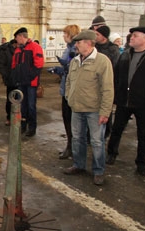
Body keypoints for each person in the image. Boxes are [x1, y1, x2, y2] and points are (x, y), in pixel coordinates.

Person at [64, 30, 114, 186]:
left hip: (94, 110)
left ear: (88, 43)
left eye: (78, 42)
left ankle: (98, 171)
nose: (76, 45)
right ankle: (79, 165)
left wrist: (105, 112)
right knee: (77, 138)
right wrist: (69, 96)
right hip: (76, 108)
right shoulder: (75, 61)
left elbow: (107, 89)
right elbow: (69, 81)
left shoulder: (102, 61)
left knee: (97, 141)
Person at [106, 26, 145, 176]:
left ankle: (142, 163)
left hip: (143, 103)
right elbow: (116, 76)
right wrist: (116, 95)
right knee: (117, 129)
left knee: (144, 134)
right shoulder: (125, 55)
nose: (131, 37)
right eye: (131, 35)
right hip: (124, 101)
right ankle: (111, 154)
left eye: (135, 35)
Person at [48, 24, 81, 159]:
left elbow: (73, 69)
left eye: (65, 34)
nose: (63, 36)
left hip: (73, 91)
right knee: (66, 119)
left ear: (70, 34)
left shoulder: (77, 49)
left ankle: (74, 149)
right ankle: (70, 147)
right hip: (65, 89)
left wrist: (60, 69)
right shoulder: (68, 49)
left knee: (74, 121)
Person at [11, 27, 44, 137]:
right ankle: (23, 125)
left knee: (31, 106)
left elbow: (39, 64)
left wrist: (29, 77)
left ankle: (32, 128)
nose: (16, 40)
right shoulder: (18, 50)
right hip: (21, 83)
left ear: (21, 36)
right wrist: (15, 78)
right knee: (22, 106)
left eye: (16, 37)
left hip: (31, 83)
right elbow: (14, 65)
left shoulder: (35, 47)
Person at [94, 25, 120, 139]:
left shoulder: (113, 49)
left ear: (104, 36)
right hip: (94, 84)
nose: (95, 36)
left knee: (105, 109)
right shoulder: (94, 47)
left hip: (106, 83)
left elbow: (115, 68)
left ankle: (106, 131)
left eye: (97, 34)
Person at [0, 39, 18, 126]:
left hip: (21, 79)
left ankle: (18, 118)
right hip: (10, 80)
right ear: (14, 44)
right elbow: (0, 64)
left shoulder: (22, 49)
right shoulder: (5, 51)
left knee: (20, 99)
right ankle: (9, 117)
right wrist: (6, 75)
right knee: (10, 99)